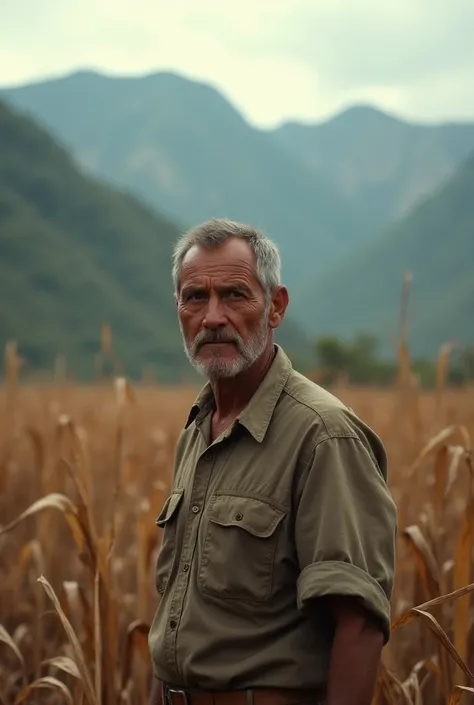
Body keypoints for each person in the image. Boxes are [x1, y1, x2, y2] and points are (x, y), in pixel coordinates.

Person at [148, 218, 398, 705]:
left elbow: (359, 622)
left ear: (276, 306)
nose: (213, 316)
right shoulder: (199, 430)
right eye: (195, 297)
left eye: (234, 296)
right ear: (178, 308)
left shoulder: (323, 434)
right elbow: (176, 616)